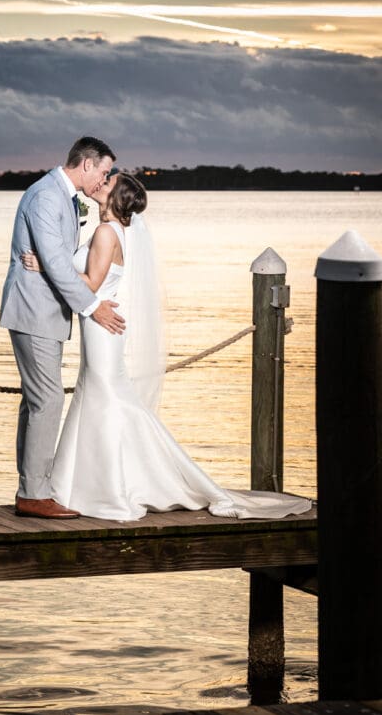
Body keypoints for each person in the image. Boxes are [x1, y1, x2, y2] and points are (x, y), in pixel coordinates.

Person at [22, 172, 312, 522]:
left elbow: (91, 283)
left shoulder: (105, 232)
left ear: (117, 199)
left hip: (102, 326)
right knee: (105, 395)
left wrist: (45, 267)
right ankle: (97, 482)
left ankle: (110, 487)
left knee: (105, 396)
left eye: (108, 184)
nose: (101, 184)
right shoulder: (117, 232)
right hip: (101, 325)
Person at [0, 137, 125, 519]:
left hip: (45, 312)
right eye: (103, 171)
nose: (104, 180)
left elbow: (58, 260)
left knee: (37, 401)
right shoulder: (48, 196)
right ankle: (34, 494)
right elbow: (55, 263)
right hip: (34, 311)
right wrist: (93, 308)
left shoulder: (64, 197)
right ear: (86, 164)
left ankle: (31, 488)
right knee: (48, 400)